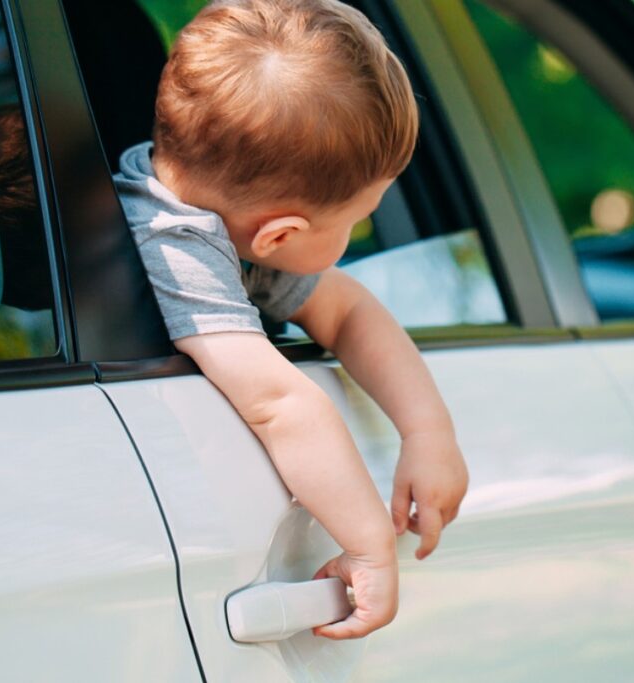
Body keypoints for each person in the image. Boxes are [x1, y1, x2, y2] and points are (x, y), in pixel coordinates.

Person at [113, 0, 468, 640]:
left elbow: (350, 311)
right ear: (280, 236)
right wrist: (367, 550)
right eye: (357, 222)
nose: (355, 239)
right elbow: (277, 403)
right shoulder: (174, 242)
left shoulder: (216, 205)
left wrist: (426, 430)